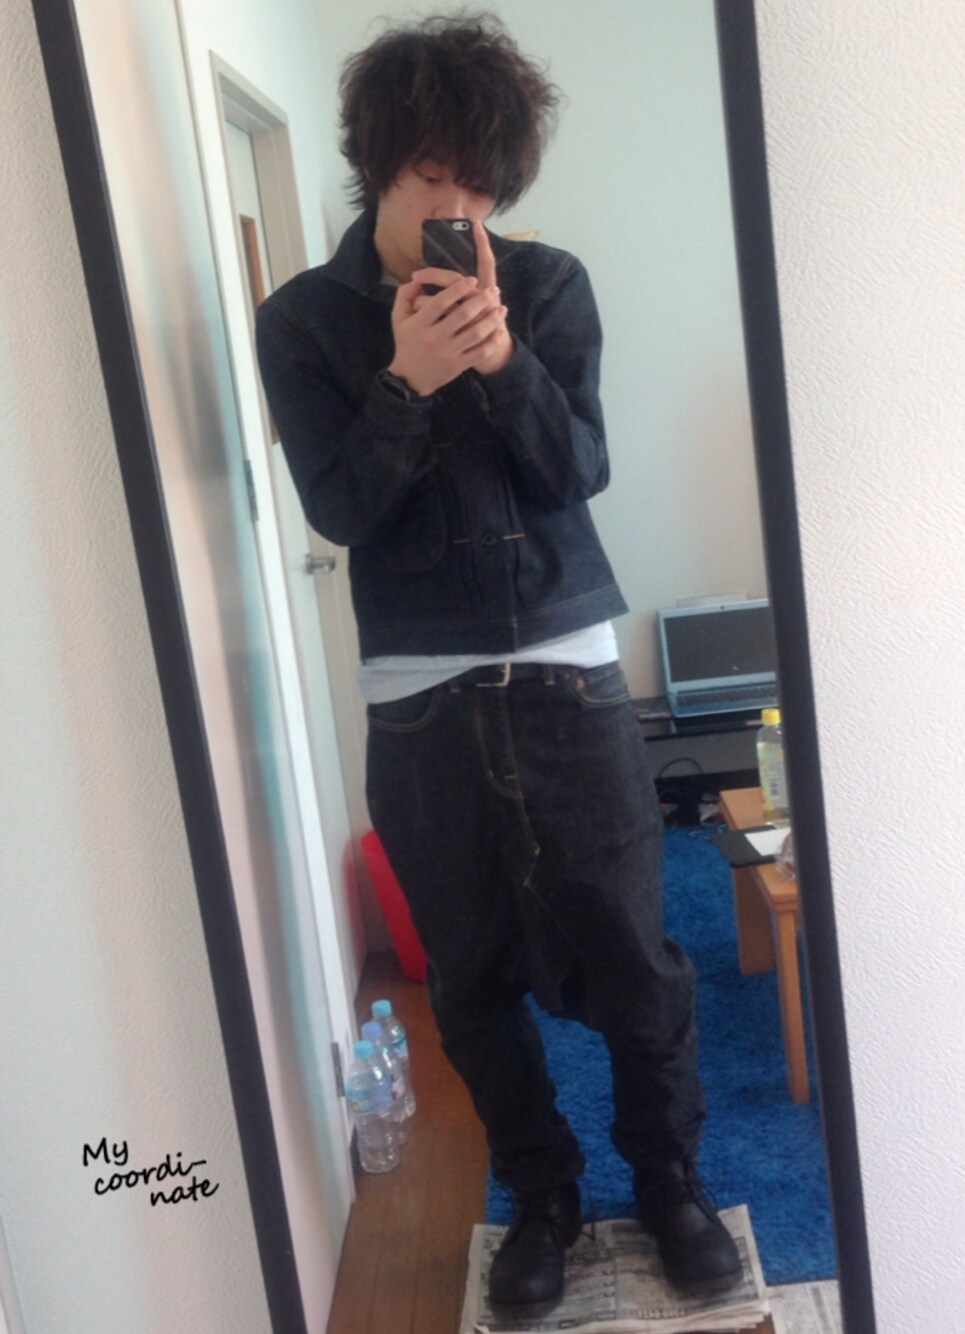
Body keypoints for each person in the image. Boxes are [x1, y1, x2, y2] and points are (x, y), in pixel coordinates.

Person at [255, 12, 741, 1309]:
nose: (459, 213)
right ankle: (543, 1195)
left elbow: (579, 469)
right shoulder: (300, 322)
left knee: (635, 953)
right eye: (434, 180)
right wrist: (405, 384)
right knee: (468, 978)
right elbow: (339, 512)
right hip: (417, 693)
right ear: (377, 162)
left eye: (482, 189)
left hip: (565, 662)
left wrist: (507, 361)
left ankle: (669, 1181)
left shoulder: (551, 285)